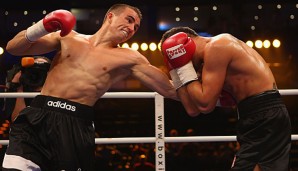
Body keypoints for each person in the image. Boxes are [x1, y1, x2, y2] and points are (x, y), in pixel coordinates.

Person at [2, 4, 177, 171]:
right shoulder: (68, 37)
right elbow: (13, 48)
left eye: (136, 27)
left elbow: (169, 90)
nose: (131, 28)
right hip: (36, 117)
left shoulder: (130, 58)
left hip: (73, 123)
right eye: (129, 20)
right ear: (110, 16)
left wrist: (184, 70)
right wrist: (42, 26)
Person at [160, 26, 291, 171]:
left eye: (173, 54)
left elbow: (205, 105)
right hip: (256, 115)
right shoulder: (206, 64)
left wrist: (184, 67)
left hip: (264, 114)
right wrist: (176, 70)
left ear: (184, 45)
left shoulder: (218, 45)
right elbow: (192, 109)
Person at [4, 56, 51, 122]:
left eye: (42, 71)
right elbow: (16, 120)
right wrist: (19, 88)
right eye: (34, 70)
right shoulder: (16, 91)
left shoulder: (57, 91)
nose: (37, 75)